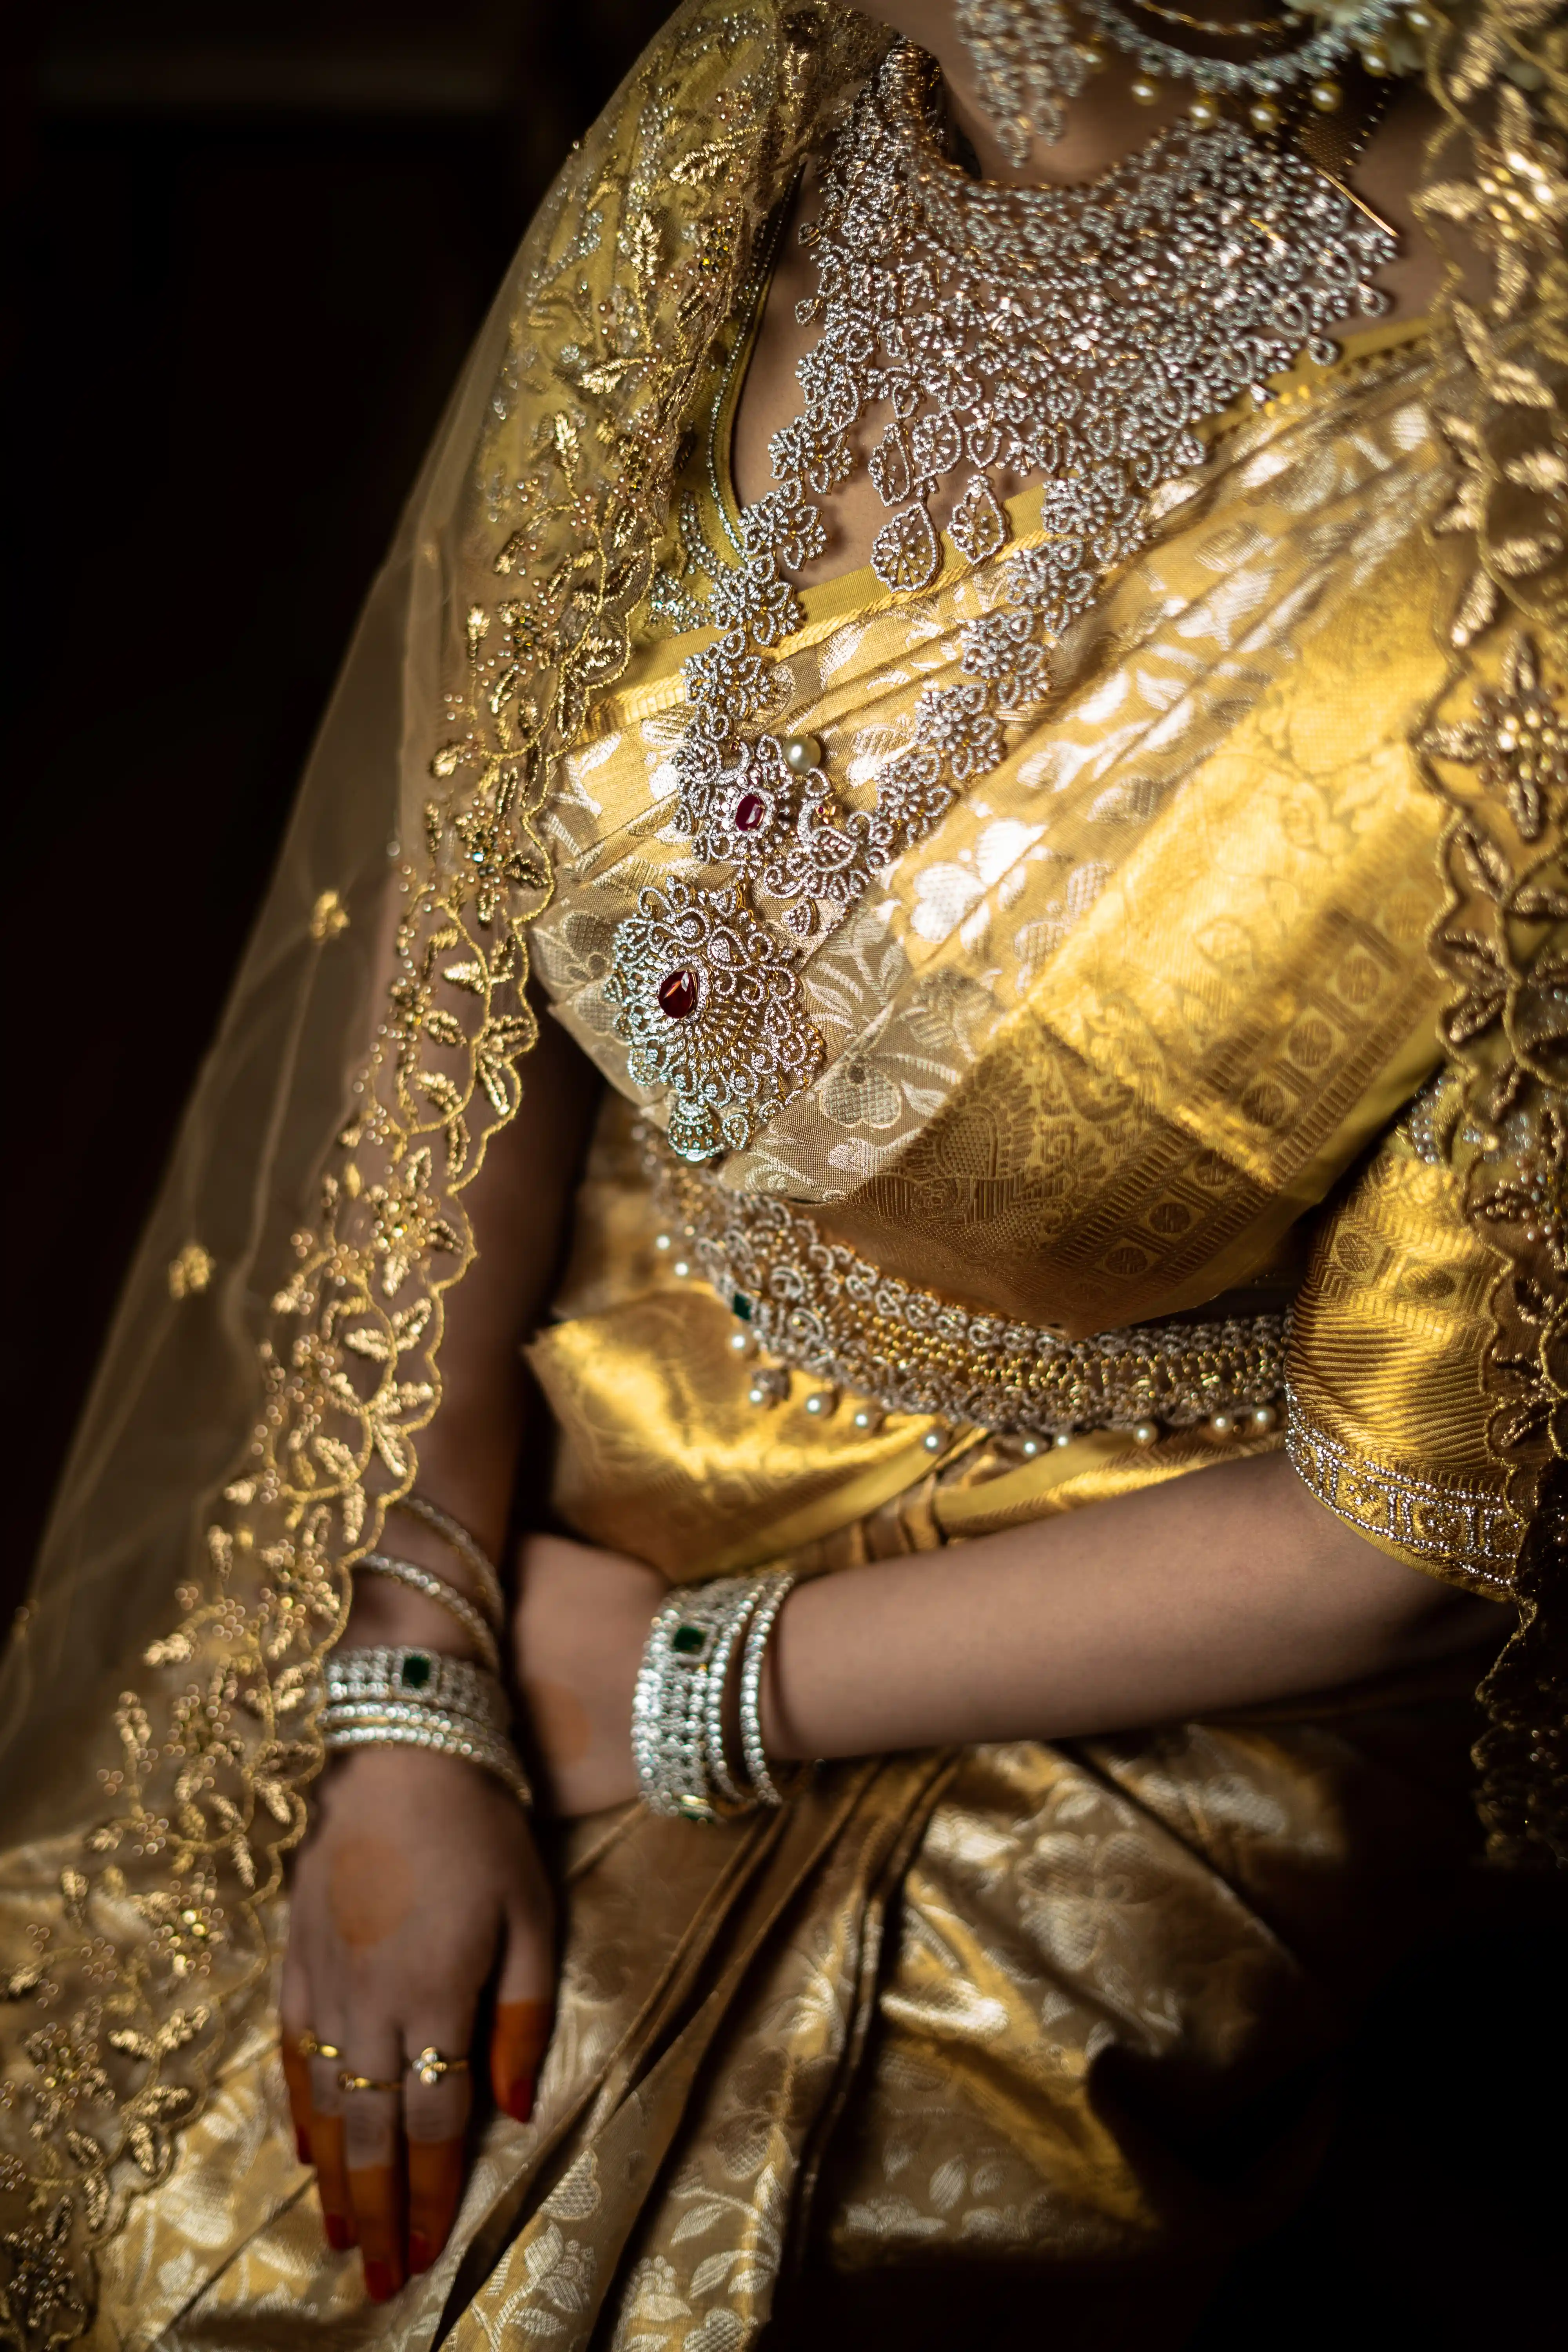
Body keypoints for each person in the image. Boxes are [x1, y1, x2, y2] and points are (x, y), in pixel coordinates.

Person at [1, 2, 1562, 2344]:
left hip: (1142, 1597)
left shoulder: (1512, 425)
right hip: (549, 1387)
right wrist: (411, 1648)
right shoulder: (761, 123)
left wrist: (689, 1692)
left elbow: (1425, 1517)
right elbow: (462, 954)